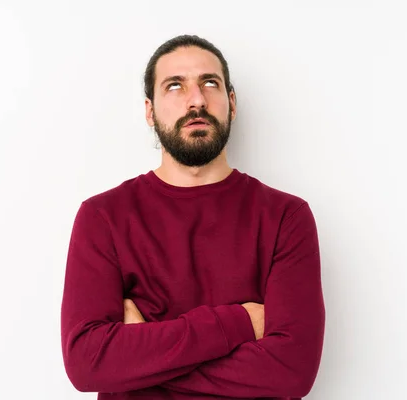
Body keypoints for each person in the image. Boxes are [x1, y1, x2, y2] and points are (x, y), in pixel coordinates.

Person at [60, 34, 325, 400]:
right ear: (150, 110)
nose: (196, 100)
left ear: (231, 103)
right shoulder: (102, 217)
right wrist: (239, 323)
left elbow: (292, 373)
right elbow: (86, 363)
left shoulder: (285, 217)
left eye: (210, 83)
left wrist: (140, 359)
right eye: (175, 86)